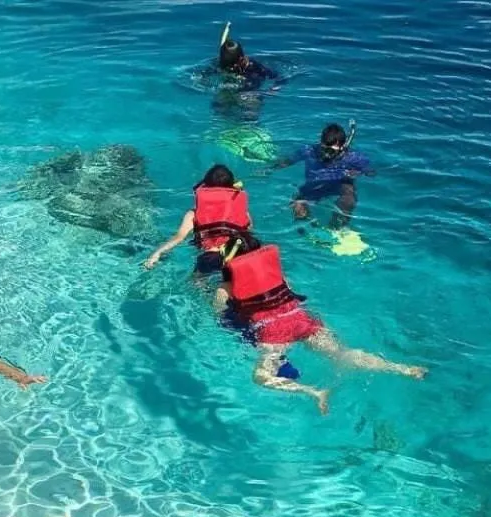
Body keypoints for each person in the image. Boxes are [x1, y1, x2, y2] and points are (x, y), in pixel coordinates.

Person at [212, 230, 425, 414]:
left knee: (261, 377)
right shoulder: (279, 277)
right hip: (302, 321)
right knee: (343, 354)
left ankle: (314, 391)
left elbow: (222, 319)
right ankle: (402, 369)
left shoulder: (225, 289)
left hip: (273, 333)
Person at [143, 165, 252, 275]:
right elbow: (248, 230)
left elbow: (178, 238)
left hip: (211, 258)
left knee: (197, 282)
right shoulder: (243, 211)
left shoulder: (193, 214)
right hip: (240, 254)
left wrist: (156, 254)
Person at [268, 123, 373, 227]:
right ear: (320, 142)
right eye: (323, 148)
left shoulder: (353, 158)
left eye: (331, 150)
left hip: (339, 185)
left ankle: (337, 226)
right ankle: (309, 229)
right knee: (297, 206)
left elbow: (371, 172)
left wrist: (358, 172)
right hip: (314, 186)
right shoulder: (309, 151)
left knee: (349, 197)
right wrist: (268, 170)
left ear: (342, 146)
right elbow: (287, 161)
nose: (326, 154)